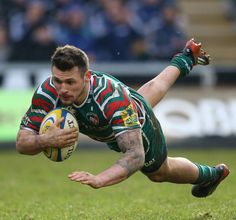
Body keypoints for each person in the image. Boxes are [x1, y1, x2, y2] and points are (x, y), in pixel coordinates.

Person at [16, 39, 229, 197]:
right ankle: (185, 58)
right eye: (57, 80)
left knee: (159, 172)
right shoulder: (47, 92)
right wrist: (44, 140)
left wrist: (100, 179)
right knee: (146, 94)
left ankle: (212, 174)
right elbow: (22, 143)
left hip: (139, 123)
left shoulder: (109, 98)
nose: (62, 89)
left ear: (87, 77)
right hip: (117, 114)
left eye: (70, 82)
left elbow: (136, 156)